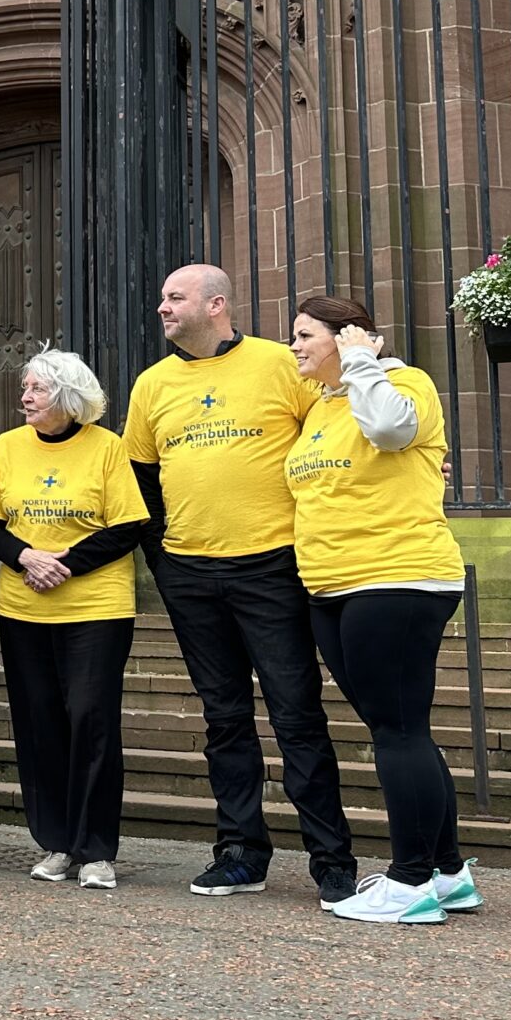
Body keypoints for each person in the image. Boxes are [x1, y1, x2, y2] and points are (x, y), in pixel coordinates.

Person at [124, 264, 358, 904]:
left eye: (175, 297)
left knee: (296, 711)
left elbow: (339, 431)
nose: (163, 307)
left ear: (216, 303)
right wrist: (166, 564)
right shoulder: (152, 384)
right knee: (223, 716)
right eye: (163, 297)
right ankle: (239, 852)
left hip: (272, 566)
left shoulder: (281, 365)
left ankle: (331, 860)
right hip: (191, 573)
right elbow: (142, 483)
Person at [286, 296, 478, 926]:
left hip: (396, 578)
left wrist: (363, 363)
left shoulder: (402, 382)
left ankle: (411, 880)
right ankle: (449, 874)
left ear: (346, 338)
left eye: (305, 335)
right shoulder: (321, 407)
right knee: (400, 728)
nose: (295, 347)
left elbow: (392, 432)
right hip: (333, 586)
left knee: (398, 730)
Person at [0, 349, 153, 888]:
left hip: (94, 609)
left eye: (37, 388)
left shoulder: (107, 448)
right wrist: (26, 557)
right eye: (25, 387)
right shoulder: (7, 446)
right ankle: (55, 843)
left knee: (91, 721)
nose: (25, 397)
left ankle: (96, 849)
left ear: (68, 396)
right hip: (23, 607)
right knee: (40, 725)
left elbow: (127, 526)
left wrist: (65, 565)